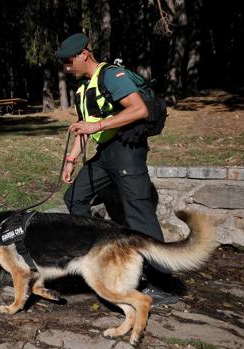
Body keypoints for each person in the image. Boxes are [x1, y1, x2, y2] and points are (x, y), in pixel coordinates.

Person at [56, 32, 178, 306]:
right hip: (105, 154)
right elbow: (82, 129)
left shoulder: (110, 75)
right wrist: (70, 161)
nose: (66, 67)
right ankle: (96, 259)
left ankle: (163, 285)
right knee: (75, 197)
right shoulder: (84, 89)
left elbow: (138, 110)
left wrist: (96, 126)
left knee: (139, 214)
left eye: (68, 61)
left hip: (127, 151)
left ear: (84, 54)